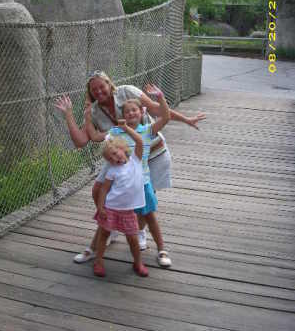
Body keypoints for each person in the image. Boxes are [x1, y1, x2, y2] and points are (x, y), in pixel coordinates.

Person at [54, 71, 206, 261]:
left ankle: (138, 232)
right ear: (91, 93)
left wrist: (186, 119)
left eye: (102, 86)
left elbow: (158, 111)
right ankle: (111, 224)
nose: (99, 91)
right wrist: (69, 115)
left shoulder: (127, 92)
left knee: (142, 200)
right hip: (121, 159)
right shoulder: (94, 112)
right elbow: (83, 140)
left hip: (152, 154)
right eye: (94, 89)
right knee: (98, 190)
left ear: (110, 84)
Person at [93, 120, 147, 277]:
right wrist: (101, 207)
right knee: (104, 234)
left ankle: (138, 262)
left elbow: (139, 140)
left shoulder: (136, 161)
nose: (115, 159)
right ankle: (98, 262)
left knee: (132, 238)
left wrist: (125, 128)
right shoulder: (112, 170)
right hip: (111, 208)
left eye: (116, 153)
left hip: (128, 211)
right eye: (110, 158)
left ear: (124, 149)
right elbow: (104, 189)